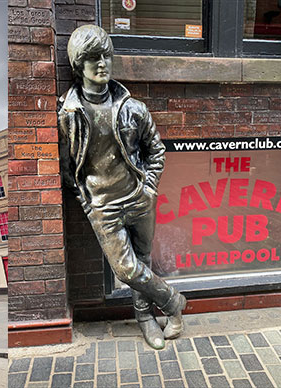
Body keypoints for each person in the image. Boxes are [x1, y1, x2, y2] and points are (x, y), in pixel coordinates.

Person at [58, 25, 186, 350]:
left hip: (139, 198)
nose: (101, 64)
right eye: (92, 58)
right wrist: (87, 203)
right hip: (104, 206)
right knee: (127, 270)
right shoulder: (69, 116)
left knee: (142, 259)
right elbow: (68, 168)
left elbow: (156, 150)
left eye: (105, 56)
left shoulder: (134, 108)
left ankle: (146, 319)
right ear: (78, 65)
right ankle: (173, 302)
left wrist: (150, 187)